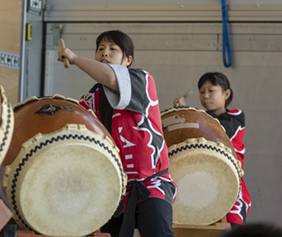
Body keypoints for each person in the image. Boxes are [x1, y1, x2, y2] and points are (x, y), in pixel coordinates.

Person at [58, 30, 177, 237]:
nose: (105, 53)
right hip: (115, 190)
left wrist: (75, 58)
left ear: (128, 60)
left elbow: (111, 77)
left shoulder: (141, 79)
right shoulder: (93, 95)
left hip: (151, 183)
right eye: (101, 49)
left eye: (113, 49)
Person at [173, 72, 251, 229]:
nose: (206, 96)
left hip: (231, 185)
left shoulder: (235, 117)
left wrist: (187, 111)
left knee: (231, 228)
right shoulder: (200, 120)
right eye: (202, 92)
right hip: (204, 186)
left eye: (211, 90)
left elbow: (215, 130)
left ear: (226, 94)